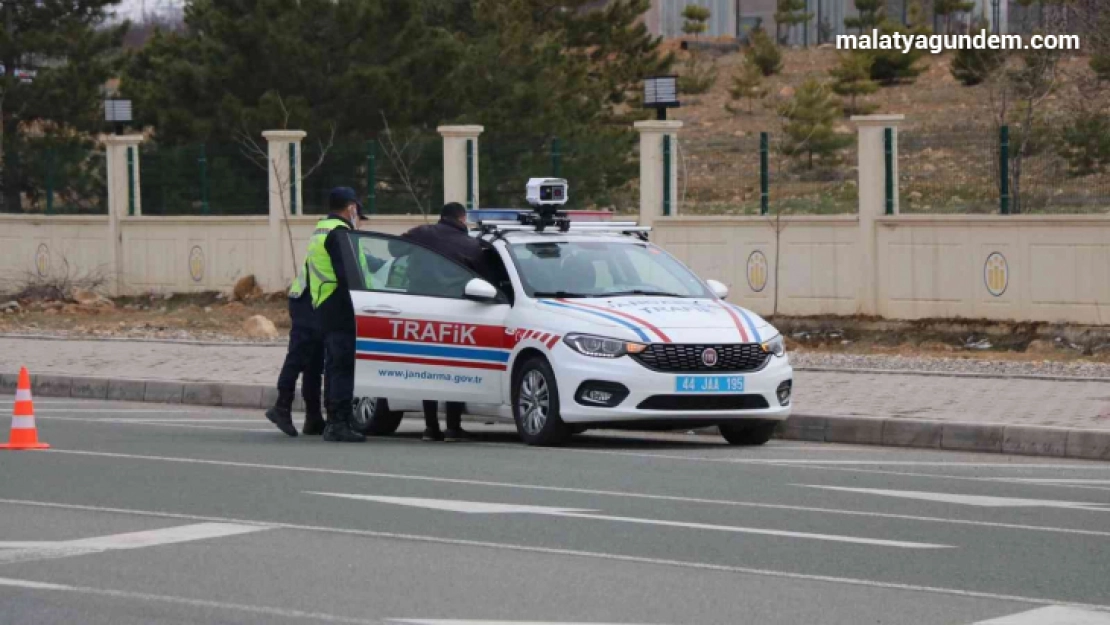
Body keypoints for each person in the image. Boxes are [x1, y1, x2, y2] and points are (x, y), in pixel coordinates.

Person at [400, 202, 491, 443]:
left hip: (419, 309)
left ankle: (431, 427)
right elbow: (487, 278)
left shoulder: (422, 233)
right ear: (462, 219)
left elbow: (393, 249)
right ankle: (453, 427)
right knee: (453, 367)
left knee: (427, 367)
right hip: (455, 312)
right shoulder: (471, 245)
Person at [306, 187, 369, 443]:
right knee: (342, 365)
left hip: (324, 304)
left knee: (333, 365)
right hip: (341, 305)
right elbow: (347, 274)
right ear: (351, 207)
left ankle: (334, 419)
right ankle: (339, 423)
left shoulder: (322, 229)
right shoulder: (340, 233)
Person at [263, 252, 326, 437]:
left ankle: (313, 417)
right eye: (360, 220)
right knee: (298, 355)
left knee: (315, 359)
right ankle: (281, 406)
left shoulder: (334, 232)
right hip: (307, 300)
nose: (360, 223)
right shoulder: (336, 234)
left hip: (315, 299)